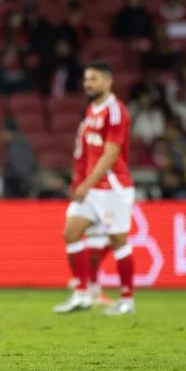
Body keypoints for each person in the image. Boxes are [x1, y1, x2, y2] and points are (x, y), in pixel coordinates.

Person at [54, 60, 136, 316]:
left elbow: (111, 154)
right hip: (91, 189)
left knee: (118, 241)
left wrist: (86, 184)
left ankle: (127, 300)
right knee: (71, 232)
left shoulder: (115, 111)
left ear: (108, 81)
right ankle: (82, 292)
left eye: (94, 79)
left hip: (112, 188)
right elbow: (86, 153)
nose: (88, 83)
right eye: (87, 79)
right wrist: (80, 182)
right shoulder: (92, 110)